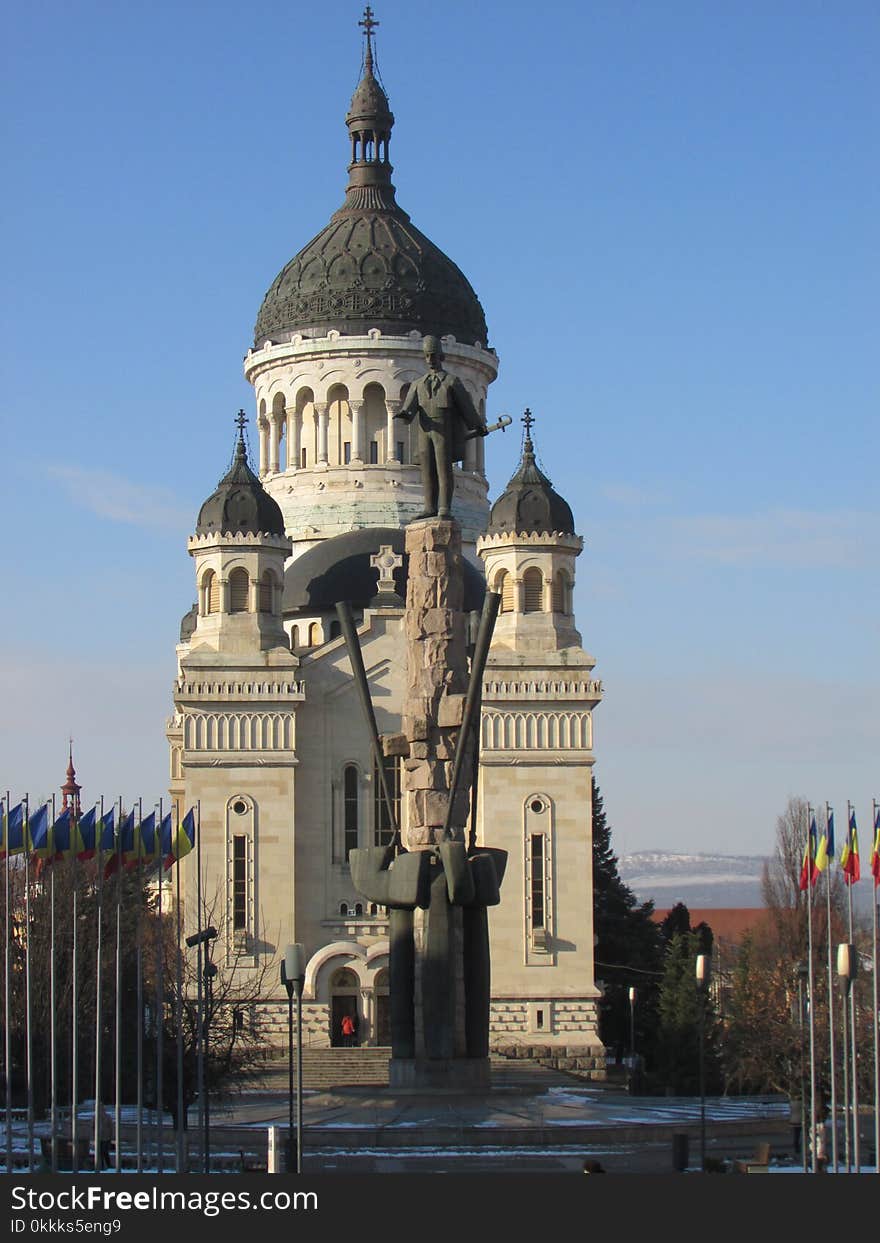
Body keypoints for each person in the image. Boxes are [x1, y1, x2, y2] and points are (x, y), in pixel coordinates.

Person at [395, 335, 487, 519]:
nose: (430, 360)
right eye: (427, 356)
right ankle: (430, 507)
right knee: (427, 469)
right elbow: (409, 408)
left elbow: (466, 407)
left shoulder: (451, 382)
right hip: (425, 430)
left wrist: (477, 425)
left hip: (444, 430)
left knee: (443, 469)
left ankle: (444, 507)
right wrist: (404, 414)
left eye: (434, 355)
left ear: (441, 357)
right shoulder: (417, 384)